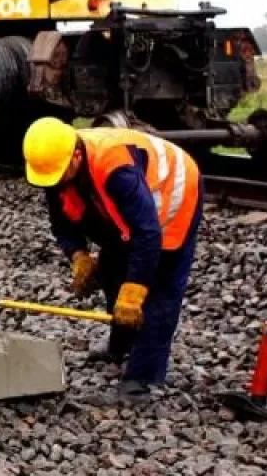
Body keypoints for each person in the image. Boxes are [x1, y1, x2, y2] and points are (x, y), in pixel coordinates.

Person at [21, 116, 203, 403]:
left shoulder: (116, 169)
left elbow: (147, 234)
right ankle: (120, 344)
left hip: (173, 195)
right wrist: (78, 255)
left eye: (58, 176)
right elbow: (61, 221)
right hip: (135, 208)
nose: (53, 185)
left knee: (159, 290)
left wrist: (135, 290)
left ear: (77, 156)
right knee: (112, 269)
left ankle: (142, 379)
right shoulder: (56, 164)